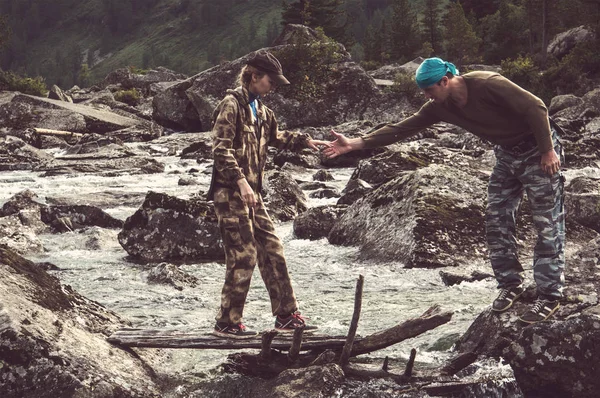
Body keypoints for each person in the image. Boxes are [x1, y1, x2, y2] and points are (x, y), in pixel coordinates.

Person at [323, 57, 565, 324]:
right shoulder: (439, 106)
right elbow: (401, 129)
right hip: (507, 155)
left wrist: (547, 150)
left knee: (547, 223)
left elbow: (536, 107)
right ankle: (510, 285)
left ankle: (550, 295)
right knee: (497, 220)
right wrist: (355, 144)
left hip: (539, 151)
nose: (426, 96)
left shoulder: (487, 83)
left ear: (445, 81)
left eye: (429, 89)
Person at [207, 50, 328, 338]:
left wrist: (305, 141)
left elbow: (275, 137)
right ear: (253, 76)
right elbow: (220, 149)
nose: (273, 86)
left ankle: (286, 316)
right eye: (270, 81)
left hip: (253, 195)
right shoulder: (230, 105)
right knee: (244, 254)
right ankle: (227, 322)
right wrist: (241, 182)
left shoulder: (262, 111)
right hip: (230, 193)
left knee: (273, 248)